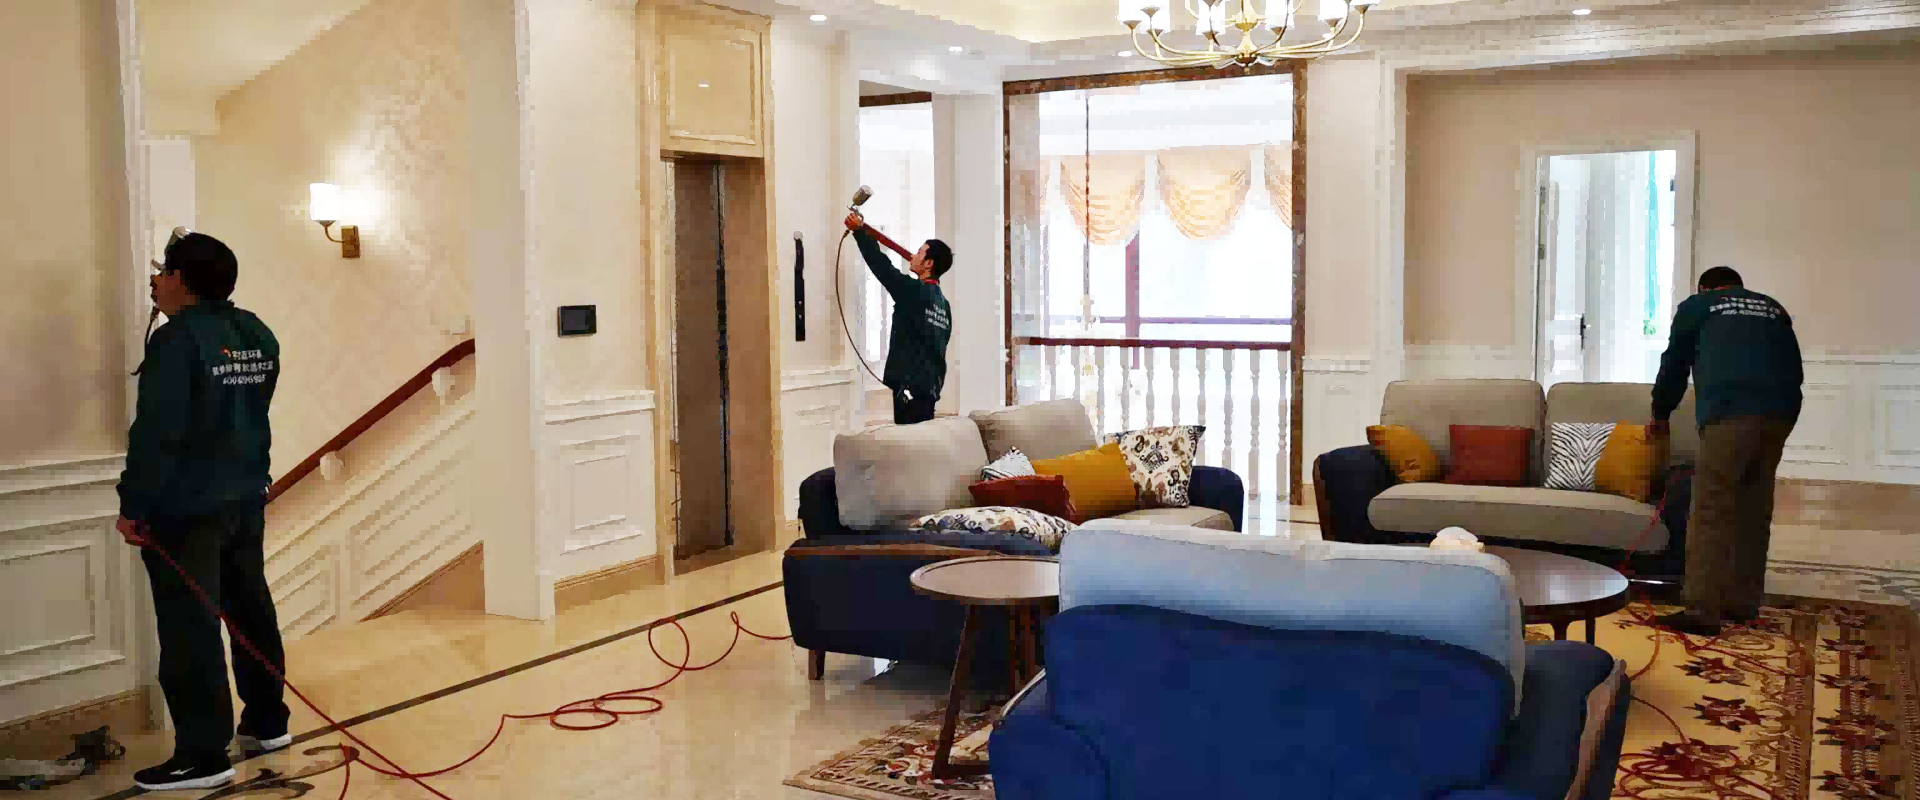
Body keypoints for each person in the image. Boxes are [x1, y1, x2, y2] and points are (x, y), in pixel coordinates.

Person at [116, 231, 290, 792]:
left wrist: (134, 505)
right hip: (244, 496)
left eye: (163, 272)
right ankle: (267, 722)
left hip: (187, 510)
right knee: (249, 608)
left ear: (182, 281)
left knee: (190, 627)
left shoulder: (176, 341)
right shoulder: (255, 331)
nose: (155, 281)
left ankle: (202, 755)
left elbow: (157, 434)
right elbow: (250, 407)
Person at [1649, 266, 1802, 637]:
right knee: (1754, 507)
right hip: (1781, 412)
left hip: (1732, 410)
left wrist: (1660, 412)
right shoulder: (1772, 307)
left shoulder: (1698, 306)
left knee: (1711, 509)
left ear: (1705, 287)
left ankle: (1701, 611)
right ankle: (1742, 603)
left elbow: (1675, 364)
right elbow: (1794, 365)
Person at [845, 211, 953, 424]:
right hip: (929, 390)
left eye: (919, 252)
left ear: (929, 263)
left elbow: (881, 266)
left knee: (907, 441)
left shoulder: (913, 291)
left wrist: (859, 232)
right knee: (922, 438)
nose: (913, 256)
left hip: (908, 390)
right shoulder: (943, 305)